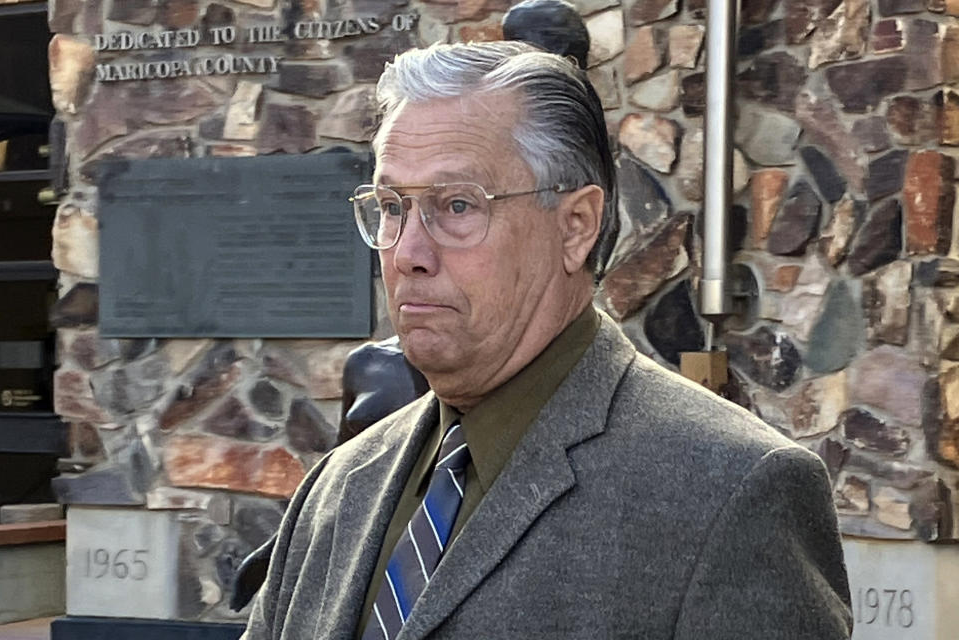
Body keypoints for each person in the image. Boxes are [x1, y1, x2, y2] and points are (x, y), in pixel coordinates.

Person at [241, 41, 852, 640]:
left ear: (576, 227)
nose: (408, 253)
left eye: (456, 205)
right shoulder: (340, 486)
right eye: (393, 205)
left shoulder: (734, 492)